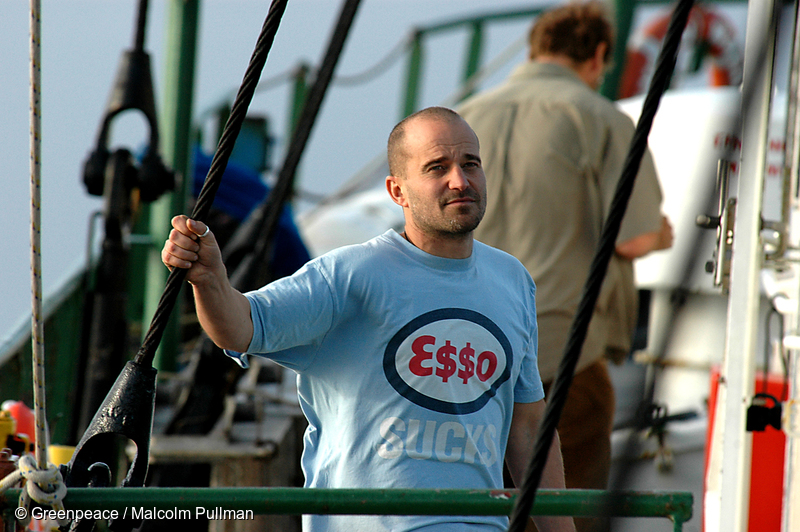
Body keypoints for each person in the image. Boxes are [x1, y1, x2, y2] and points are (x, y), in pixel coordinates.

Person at [162, 106, 575, 532]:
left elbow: (527, 427)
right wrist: (209, 279)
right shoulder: (350, 275)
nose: (460, 180)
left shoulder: (512, 280)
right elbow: (242, 326)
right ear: (398, 191)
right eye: (437, 167)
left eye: (470, 164)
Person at [458, 3, 673, 531]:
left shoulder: (466, 116)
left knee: (474, 513)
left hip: (463, 355)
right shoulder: (600, 118)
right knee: (565, 515)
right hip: (561, 359)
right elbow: (635, 237)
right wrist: (664, 233)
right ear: (599, 55)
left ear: (535, 49)